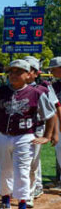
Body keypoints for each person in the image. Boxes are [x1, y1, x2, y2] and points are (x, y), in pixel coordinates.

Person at [0, 59, 57, 209]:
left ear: (28, 75)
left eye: (18, 72)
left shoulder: (36, 93)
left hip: (25, 137)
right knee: (4, 170)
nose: (13, 75)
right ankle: (5, 203)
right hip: (3, 135)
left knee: (22, 171)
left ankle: (22, 208)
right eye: (11, 71)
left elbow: (50, 114)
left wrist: (47, 136)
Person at [22, 56, 59, 206]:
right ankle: (33, 187)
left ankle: (33, 190)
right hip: (20, 129)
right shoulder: (16, 85)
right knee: (27, 161)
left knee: (33, 161)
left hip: (37, 127)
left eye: (28, 69)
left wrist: (53, 132)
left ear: (35, 72)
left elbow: (54, 109)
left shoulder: (44, 86)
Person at [47, 57, 61, 190]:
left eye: (53, 69)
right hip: (58, 124)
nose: (51, 71)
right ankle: (59, 180)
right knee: (59, 152)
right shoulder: (55, 86)